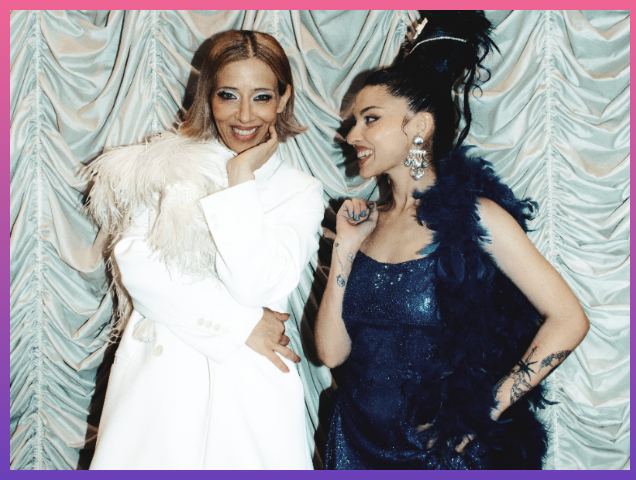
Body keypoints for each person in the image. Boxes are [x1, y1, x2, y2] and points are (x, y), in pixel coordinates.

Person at [315, 11, 590, 470]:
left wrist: (484, 409)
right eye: (354, 122)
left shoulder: (476, 216)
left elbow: (569, 319)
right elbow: (330, 352)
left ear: (419, 126)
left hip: (438, 454)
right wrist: (344, 249)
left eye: (369, 119)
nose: (351, 135)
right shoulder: (365, 224)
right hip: (356, 444)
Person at [86, 30, 323, 470]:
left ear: (283, 99)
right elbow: (139, 269)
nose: (244, 115)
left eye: (262, 97)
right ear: (208, 97)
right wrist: (241, 325)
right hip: (159, 392)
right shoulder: (164, 167)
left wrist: (240, 178)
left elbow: (256, 285)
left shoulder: (301, 191)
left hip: (252, 391)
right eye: (228, 95)